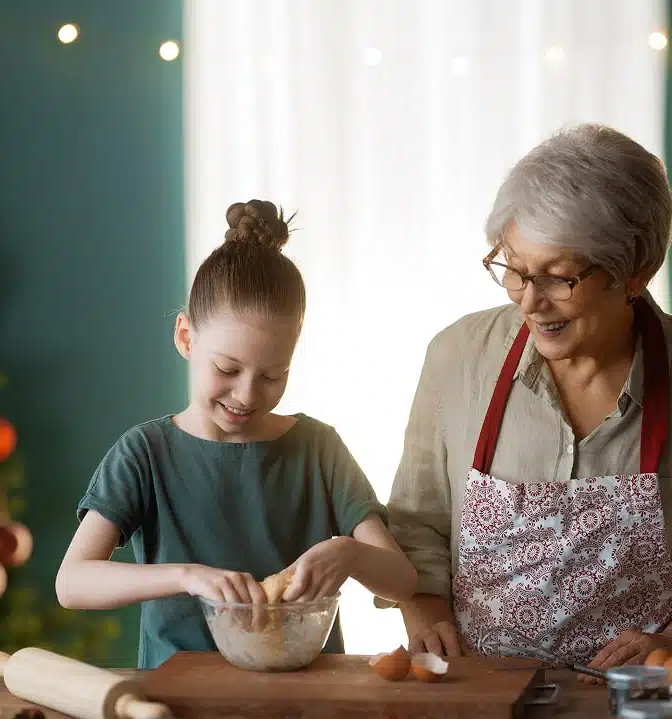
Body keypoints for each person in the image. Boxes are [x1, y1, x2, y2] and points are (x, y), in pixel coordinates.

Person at [385, 124, 672, 676]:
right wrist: (425, 611)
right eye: (514, 269)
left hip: (640, 704)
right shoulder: (457, 361)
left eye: (558, 278)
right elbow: (415, 523)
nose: (530, 302)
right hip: (479, 695)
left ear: (635, 272)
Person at [56, 200, 418, 669]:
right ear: (186, 338)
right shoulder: (144, 453)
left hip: (308, 698)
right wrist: (189, 576)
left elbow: (402, 581)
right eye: (227, 368)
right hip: (179, 703)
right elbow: (72, 583)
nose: (247, 395)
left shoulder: (319, 449)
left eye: (273, 375)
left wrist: (349, 554)